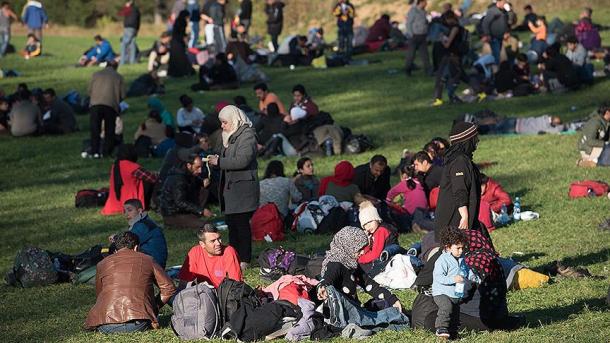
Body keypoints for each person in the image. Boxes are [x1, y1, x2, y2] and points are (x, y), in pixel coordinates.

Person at [84, 231, 176, 334]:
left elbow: (99, 294)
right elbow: (169, 288)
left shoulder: (102, 264)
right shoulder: (148, 259)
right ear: (136, 247)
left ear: (116, 249)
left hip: (105, 325)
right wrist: (154, 307)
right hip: (138, 323)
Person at [207, 105, 259, 270]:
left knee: (241, 224)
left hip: (243, 189)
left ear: (234, 120)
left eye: (224, 122)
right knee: (232, 224)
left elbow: (243, 159)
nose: (222, 126)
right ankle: (234, 256)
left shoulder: (247, 135)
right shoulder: (228, 135)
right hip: (230, 189)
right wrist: (216, 158)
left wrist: (220, 162)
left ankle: (244, 258)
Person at [317, 226, 403, 312]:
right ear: (348, 246)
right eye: (359, 249)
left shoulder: (351, 264)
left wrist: (391, 299)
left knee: (385, 304)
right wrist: (323, 287)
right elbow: (327, 278)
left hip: (354, 309)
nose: (362, 252)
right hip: (341, 314)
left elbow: (368, 284)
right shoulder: (335, 264)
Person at [434, 121, 481, 239]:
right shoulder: (459, 161)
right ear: (467, 140)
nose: (478, 141)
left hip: (459, 219)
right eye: (475, 138)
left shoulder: (460, 159)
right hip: (455, 220)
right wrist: (464, 217)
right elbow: (460, 190)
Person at [432, 227, 478, 338]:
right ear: (448, 247)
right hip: (441, 292)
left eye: (462, 248)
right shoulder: (442, 260)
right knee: (446, 307)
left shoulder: (462, 258)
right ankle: (441, 327)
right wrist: (453, 279)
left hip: (455, 293)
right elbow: (438, 277)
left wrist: (475, 278)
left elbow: (467, 272)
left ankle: (452, 334)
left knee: (455, 314)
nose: (461, 251)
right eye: (458, 248)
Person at [160, 148, 213, 229]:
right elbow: (180, 202)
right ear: (189, 165)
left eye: (201, 167)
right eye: (197, 167)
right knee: (205, 226)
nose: (200, 171)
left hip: (184, 211)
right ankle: (172, 223)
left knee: (204, 189)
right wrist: (201, 210)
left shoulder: (189, 174)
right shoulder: (179, 179)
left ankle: (191, 218)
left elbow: (200, 184)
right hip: (173, 213)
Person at [178, 223, 243, 288]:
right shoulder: (195, 252)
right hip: (203, 294)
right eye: (213, 241)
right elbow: (184, 282)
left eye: (219, 238)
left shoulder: (229, 252)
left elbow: (236, 285)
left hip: (224, 294)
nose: (218, 243)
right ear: (202, 244)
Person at [102, 144, 157, 215]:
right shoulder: (131, 166)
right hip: (131, 205)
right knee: (147, 182)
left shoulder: (116, 165)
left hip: (113, 206)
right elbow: (152, 178)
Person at [88, 61, 125, 158]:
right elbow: (123, 95)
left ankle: (94, 151)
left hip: (95, 105)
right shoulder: (118, 77)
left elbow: (89, 91)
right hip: (110, 105)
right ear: (116, 67)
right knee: (109, 130)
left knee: (95, 129)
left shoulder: (96, 75)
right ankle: (106, 152)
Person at [116, 198, 168, 268]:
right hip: (153, 262)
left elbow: (127, 242)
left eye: (130, 210)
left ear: (139, 211)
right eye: (124, 211)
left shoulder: (143, 225)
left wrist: (115, 238)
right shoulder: (142, 222)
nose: (126, 214)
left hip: (154, 265)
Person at [432, 11, 465, 106]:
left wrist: (442, 38)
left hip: (451, 56)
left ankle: (439, 98)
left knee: (442, 77)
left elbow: (447, 45)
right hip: (453, 55)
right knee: (457, 76)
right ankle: (449, 97)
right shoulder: (457, 28)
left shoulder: (455, 29)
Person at [357, 201, 399, 272]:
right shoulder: (374, 232)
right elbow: (370, 251)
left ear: (377, 219)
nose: (368, 226)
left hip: (388, 261)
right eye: (365, 224)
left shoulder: (381, 231)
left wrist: (360, 259)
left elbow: (375, 255)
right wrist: (367, 242)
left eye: (370, 222)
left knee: (360, 264)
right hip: (383, 260)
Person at [577, 103, 610, 167]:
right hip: (588, 150)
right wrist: (606, 144)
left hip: (598, 147)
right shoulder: (595, 122)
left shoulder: (605, 122)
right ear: (607, 113)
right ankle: (589, 162)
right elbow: (590, 141)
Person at [405, 0, 431, 76]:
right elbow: (409, 23)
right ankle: (408, 70)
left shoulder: (424, 12)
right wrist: (411, 34)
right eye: (425, 2)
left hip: (423, 35)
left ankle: (428, 70)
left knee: (425, 55)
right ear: (421, 2)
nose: (426, 4)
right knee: (411, 54)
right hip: (415, 35)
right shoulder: (413, 11)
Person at [478, 114, 565, 135]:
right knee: (494, 131)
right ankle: (478, 130)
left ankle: (477, 126)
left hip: (515, 121)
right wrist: (561, 125)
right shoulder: (546, 128)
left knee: (494, 125)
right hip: (515, 128)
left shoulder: (544, 117)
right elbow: (559, 129)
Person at [168, 10, 194, 77]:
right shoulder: (183, 22)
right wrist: (186, 37)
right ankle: (184, 71)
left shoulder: (177, 20)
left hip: (174, 41)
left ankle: (174, 72)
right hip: (178, 41)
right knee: (181, 57)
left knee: (174, 58)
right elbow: (182, 33)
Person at [481, 0, 508, 64]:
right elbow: (485, 23)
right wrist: (487, 34)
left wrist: (506, 32)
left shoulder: (504, 11)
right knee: (496, 55)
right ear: (499, 2)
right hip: (494, 37)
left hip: (500, 37)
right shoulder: (492, 11)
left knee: (498, 54)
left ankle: (497, 69)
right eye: (503, 3)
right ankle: (496, 70)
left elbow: (506, 22)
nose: (505, 4)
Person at [117, 1, 140, 65]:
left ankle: (122, 61)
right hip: (135, 28)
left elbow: (120, 13)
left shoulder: (128, 9)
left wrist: (126, 7)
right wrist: (137, 30)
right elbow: (138, 20)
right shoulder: (137, 10)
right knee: (132, 44)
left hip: (128, 28)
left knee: (123, 43)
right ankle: (132, 61)